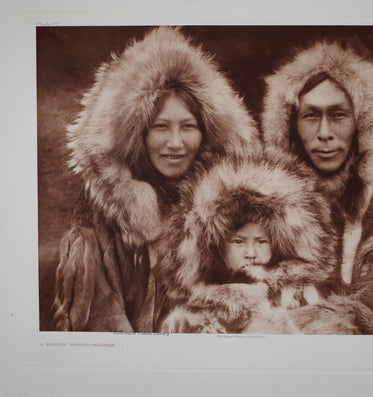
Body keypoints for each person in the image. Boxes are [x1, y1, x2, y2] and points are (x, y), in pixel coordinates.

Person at [52, 27, 259, 332]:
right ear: (138, 135)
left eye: (188, 126)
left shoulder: (232, 207)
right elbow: (100, 313)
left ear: (206, 133)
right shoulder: (103, 210)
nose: (176, 143)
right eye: (161, 127)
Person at [261, 40, 373, 334]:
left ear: (361, 124)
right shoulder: (265, 203)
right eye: (310, 116)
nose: (324, 134)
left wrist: (277, 327)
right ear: (291, 126)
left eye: (338, 115)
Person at [151, 148, 344, 333]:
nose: (250, 253)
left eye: (261, 242)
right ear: (216, 248)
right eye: (238, 242)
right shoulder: (190, 313)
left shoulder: (297, 296)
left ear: (278, 245)